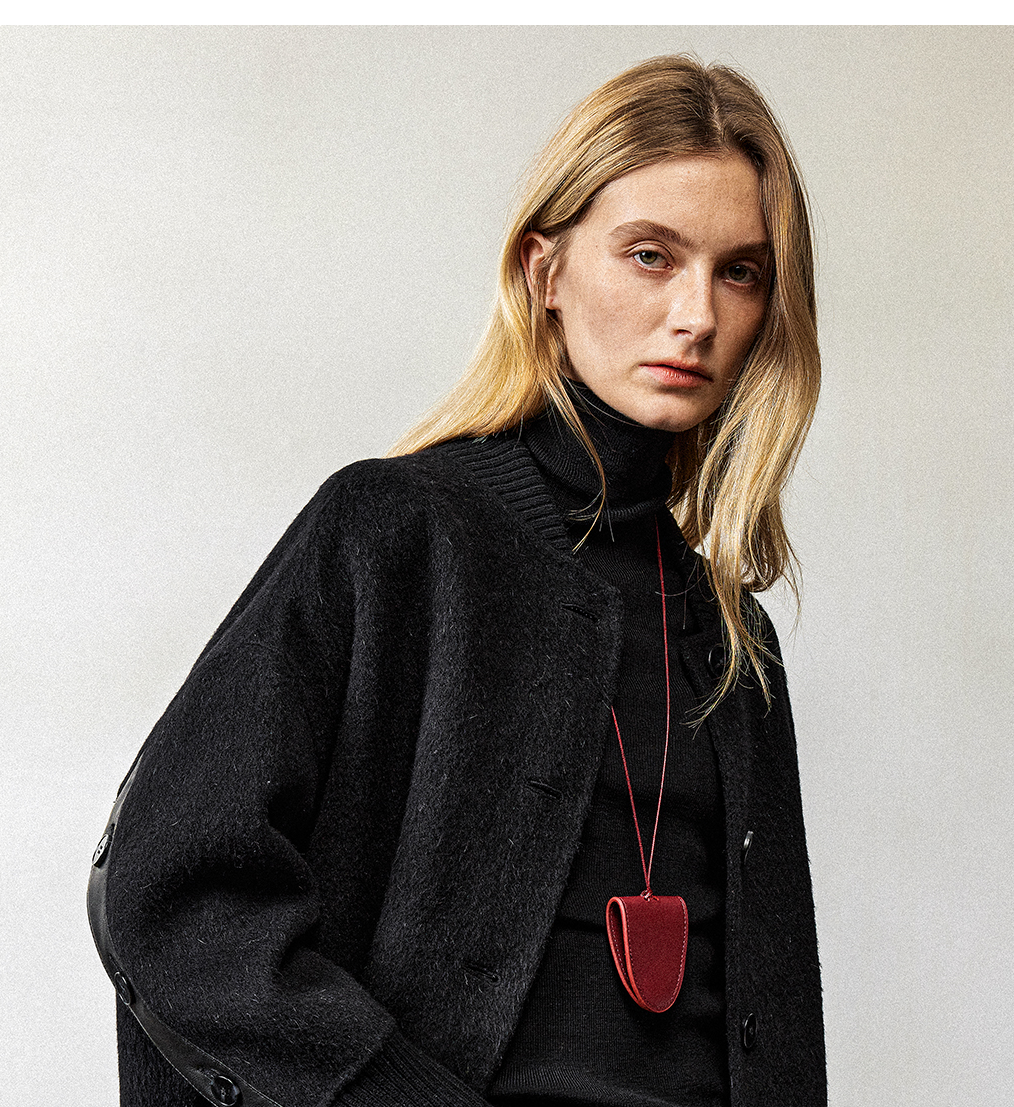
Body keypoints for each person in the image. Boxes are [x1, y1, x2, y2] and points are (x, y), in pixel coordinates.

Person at [88, 54, 825, 1107]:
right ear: (545, 271)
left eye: (739, 272)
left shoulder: (733, 639)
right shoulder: (394, 534)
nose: (696, 314)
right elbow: (172, 889)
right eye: (651, 256)